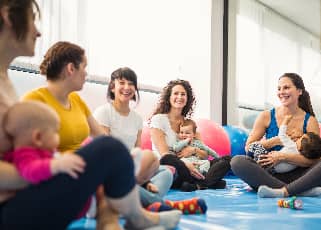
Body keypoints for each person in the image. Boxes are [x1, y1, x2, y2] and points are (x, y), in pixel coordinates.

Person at [0, 1, 181, 229]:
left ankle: (116, 211)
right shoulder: (33, 102)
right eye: (32, 19)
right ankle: (136, 212)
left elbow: (101, 140)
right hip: (18, 202)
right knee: (109, 152)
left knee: (148, 163)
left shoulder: (9, 84)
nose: (37, 31)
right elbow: (30, 156)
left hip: (52, 178)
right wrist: (52, 168)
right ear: (8, 16)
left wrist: (119, 166)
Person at [94, 67, 207, 214]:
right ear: (112, 87)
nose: (127, 87)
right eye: (121, 83)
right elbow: (105, 151)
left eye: (131, 84)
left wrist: (144, 179)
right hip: (114, 170)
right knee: (164, 163)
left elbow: (137, 152)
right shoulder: (103, 112)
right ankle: (165, 205)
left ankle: (141, 200)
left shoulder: (136, 118)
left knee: (166, 173)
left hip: (132, 170)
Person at [231, 73, 321, 198]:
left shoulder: (310, 121)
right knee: (237, 162)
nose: (281, 92)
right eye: (279, 89)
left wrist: (283, 156)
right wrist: (274, 142)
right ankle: (300, 190)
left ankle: (283, 191)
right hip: (268, 174)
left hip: (300, 174)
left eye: (286, 87)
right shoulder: (266, 116)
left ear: (299, 91)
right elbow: (248, 148)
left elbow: (315, 159)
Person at [150, 79, 231, 192]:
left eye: (183, 94)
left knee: (229, 159)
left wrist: (193, 151)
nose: (180, 97)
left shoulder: (189, 124)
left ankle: (198, 184)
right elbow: (164, 153)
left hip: (195, 165)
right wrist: (185, 163)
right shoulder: (158, 120)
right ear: (169, 97)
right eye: (176, 93)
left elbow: (205, 155)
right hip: (172, 168)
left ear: (187, 99)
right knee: (168, 159)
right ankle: (209, 182)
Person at [3, 101, 86, 184]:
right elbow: (30, 171)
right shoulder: (24, 155)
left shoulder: (44, 151)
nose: (58, 136)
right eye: (56, 132)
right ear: (38, 137)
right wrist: (58, 165)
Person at [248, 115, 321, 173]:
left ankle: (253, 161)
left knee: (254, 146)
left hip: (267, 164)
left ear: (299, 147)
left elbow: (281, 134)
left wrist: (286, 121)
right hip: (275, 171)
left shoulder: (292, 145)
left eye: (301, 138)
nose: (299, 137)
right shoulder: (303, 154)